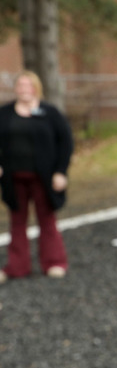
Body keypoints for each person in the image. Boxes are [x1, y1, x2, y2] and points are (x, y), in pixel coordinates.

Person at [0, 70, 73, 283]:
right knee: (17, 221)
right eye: (20, 85)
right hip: (14, 179)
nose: (24, 89)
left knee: (47, 220)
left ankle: (54, 262)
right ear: (16, 88)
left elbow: (65, 142)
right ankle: (16, 266)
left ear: (36, 88)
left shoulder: (50, 113)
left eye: (28, 85)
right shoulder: (4, 113)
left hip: (44, 178)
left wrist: (61, 171)